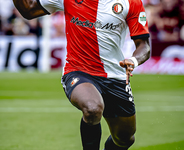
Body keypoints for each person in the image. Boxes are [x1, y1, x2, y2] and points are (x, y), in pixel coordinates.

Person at [12, 0, 150, 149]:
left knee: (125, 138)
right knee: (92, 108)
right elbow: (28, 10)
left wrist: (134, 61)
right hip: (79, 71)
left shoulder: (131, 2)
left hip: (115, 76)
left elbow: (144, 45)